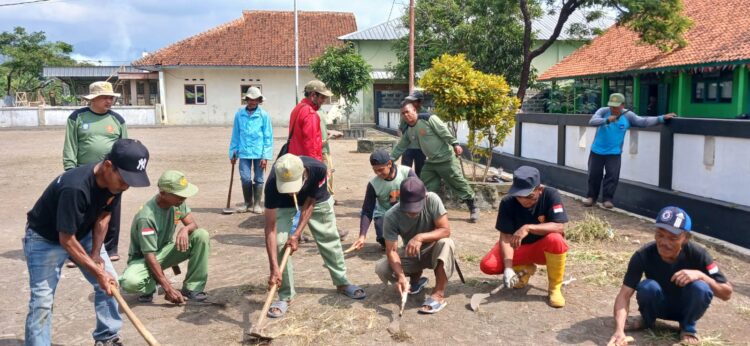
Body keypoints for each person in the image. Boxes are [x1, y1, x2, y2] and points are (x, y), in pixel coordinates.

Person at [24, 138, 150, 346]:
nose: (127, 185)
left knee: (110, 285)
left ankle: (106, 337)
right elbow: (66, 240)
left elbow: (103, 216)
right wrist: (98, 272)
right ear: (108, 166)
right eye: (125, 179)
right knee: (42, 302)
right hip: (45, 239)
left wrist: (95, 254)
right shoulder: (75, 188)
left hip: (82, 234)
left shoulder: (115, 185)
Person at [607, 206, 732, 346]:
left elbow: (727, 293)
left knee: (701, 287)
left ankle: (687, 327)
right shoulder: (643, 255)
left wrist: (701, 275)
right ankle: (647, 320)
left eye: (673, 238)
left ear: (686, 238)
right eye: (660, 235)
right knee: (647, 287)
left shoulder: (700, 255)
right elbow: (624, 295)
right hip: (657, 306)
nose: (664, 243)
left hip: (686, 308)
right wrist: (619, 331)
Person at [263, 154, 366, 318]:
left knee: (329, 238)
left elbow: (310, 203)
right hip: (284, 205)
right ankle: (285, 296)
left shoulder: (318, 170)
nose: (291, 192)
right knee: (280, 243)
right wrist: (274, 267)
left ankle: (342, 282)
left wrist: (296, 234)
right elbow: (270, 229)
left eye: (293, 186)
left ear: (304, 173)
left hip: (316, 201)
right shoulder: (272, 184)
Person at [479, 166, 569, 308]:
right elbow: (505, 237)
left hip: (543, 250)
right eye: (519, 196)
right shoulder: (508, 202)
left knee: (556, 239)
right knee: (488, 265)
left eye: (529, 196)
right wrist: (508, 268)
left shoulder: (551, 195)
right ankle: (524, 268)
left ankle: (554, 288)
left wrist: (528, 227)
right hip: (519, 248)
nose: (523, 200)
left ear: (539, 189)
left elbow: (559, 227)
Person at [119, 170, 211, 304]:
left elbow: (193, 225)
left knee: (201, 235)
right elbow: (149, 256)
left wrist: (185, 229)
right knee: (130, 282)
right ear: (163, 193)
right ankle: (150, 284)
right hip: (144, 259)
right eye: (179, 195)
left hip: (165, 251)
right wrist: (167, 288)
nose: (183, 198)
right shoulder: (147, 217)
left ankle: (193, 287)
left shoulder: (178, 203)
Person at [63, 81, 128, 262]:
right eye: (105, 98)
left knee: (111, 211)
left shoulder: (118, 120)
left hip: (111, 174)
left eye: (111, 98)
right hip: (85, 175)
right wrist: (70, 171)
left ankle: (110, 248)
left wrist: (122, 171)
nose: (109, 101)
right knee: (82, 212)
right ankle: (78, 251)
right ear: (93, 99)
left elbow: (124, 147)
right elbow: (70, 145)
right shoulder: (77, 117)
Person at [375, 177, 456, 314]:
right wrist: (400, 276)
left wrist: (420, 237)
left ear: (424, 197)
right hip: (412, 253)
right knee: (382, 268)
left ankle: (438, 294)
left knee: (446, 243)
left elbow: (446, 231)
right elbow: (391, 251)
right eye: (408, 208)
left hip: (433, 249)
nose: (412, 212)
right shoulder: (391, 216)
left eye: (416, 208)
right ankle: (415, 280)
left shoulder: (433, 200)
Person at [391, 101, 480, 222]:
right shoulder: (408, 129)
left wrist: (455, 144)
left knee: (457, 182)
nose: (406, 115)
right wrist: (390, 160)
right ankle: (426, 212)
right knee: (423, 185)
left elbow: (443, 131)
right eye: (403, 113)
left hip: (446, 158)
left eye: (408, 112)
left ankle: (473, 206)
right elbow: (401, 146)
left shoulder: (428, 118)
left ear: (415, 111)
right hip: (431, 162)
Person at [585, 93, 676, 209]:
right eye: (611, 106)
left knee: (612, 176)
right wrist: (607, 120)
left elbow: (643, 122)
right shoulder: (603, 111)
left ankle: (607, 199)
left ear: (622, 105)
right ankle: (591, 197)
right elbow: (592, 121)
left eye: (616, 107)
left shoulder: (628, 116)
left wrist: (661, 118)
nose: (613, 109)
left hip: (614, 153)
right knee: (594, 175)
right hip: (597, 150)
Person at [353, 150, 416, 250]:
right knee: (386, 241)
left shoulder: (407, 173)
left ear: (389, 164)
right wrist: (362, 236)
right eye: (375, 170)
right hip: (386, 213)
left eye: (381, 169)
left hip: (406, 211)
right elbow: (367, 210)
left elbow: (420, 193)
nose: (378, 173)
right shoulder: (373, 185)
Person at [229, 87, 273, 213]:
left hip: (259, 153)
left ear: (259, 101)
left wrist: (265, 156)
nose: (252, 102)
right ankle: (248, 203)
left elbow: (268, 137)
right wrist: (233, 153)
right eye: (250, 99)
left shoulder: (264, 115)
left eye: (255, 100)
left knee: (259, 178)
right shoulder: (239, 115)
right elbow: (235, 135)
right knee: (245, 178)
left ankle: (257, 204)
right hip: (243, 152)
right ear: (246, 99)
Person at [287, 80, 332, 161]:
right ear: (313, 95)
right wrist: (317, 166)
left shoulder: (298, 108)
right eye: (322, 97)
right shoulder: (310, 113)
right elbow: (312, 146)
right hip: (307, 163)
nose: (324, 101)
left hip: (295, 160)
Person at [399, 90, 427, 176]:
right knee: (405, 171)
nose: (410, 102)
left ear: (420, 102)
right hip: (408, 146)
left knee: (420, 171)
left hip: (421, 147)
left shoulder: (425, 113)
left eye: (413, 101)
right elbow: (401, 129)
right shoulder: (406, 111)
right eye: (410, 100)